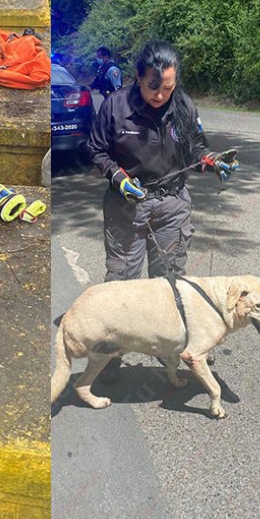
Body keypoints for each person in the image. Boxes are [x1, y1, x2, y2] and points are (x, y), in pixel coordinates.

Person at [85, 40, 237, 383]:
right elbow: (96, 150)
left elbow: (195, 150)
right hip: (127, 207)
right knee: (121, 282)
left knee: (171, 282)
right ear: (138, 77)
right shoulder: (115, 106)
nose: (159, 95)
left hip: (171, 206)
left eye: (167, 87)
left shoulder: (183, 104)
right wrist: (118, 177)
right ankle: (108, 357)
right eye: (153, 86)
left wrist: (213, 162)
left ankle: (175, 348)